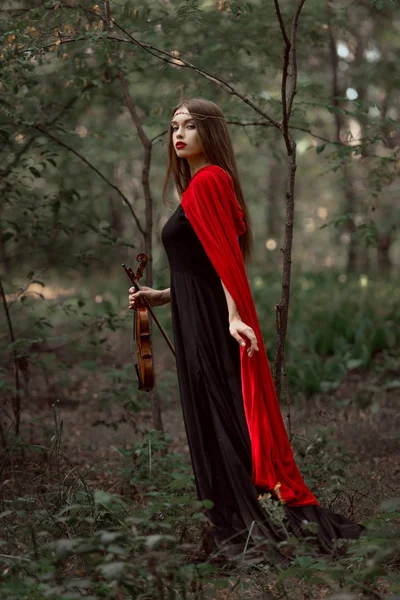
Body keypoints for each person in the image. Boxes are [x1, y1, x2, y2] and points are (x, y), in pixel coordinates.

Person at [128, 98, 366, 564]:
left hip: (214, 321)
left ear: (210, 132)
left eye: (191, 126)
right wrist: (162, 295)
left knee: (222, 415)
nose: (179, 134)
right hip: (197, 313)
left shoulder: (211, 180)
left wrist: (234, 316)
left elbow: (226, 263)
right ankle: (236, 526)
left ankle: (245, 531)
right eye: (174, 125)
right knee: (216, 413)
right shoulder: (198, 185)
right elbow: (200, 267)